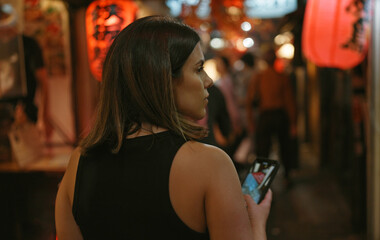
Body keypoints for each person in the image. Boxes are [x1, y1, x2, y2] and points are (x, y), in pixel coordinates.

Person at [55, 16, 272, 239]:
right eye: (198, 69)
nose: (208, 81)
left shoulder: (79, 162)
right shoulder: (210, 164)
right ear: (163, 78)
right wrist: (256, 223)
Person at [246, 48, 297, 187]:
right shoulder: (280, 77)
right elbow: (289, 102)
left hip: (266, 115)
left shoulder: (260, 77)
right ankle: (286, 177)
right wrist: (293, 123)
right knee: (283, 147)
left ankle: (260, 184)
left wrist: (251, 121)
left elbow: (250, 101)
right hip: (279, 115)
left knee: (263, 150)